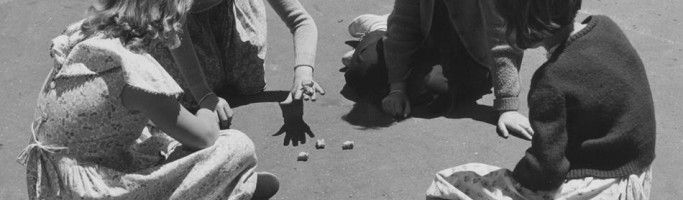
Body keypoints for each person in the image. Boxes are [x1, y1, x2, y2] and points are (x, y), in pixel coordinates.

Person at [17, 0, 278, 199]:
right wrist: (207, 105)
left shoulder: (84, 38)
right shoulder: (135, 72)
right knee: (236, 146)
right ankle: (224, 188)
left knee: (158, 134)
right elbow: (205, 136)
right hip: (87, 189)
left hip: (51, 179)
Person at [425, 0, 656, 199]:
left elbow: (546, 170)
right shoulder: (607, 28)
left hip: (596, 187)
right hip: (638, 174)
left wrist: (517, 181)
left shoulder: (550, 81)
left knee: (448, 181)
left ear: (525, 24)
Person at [342, 0, 533, 140]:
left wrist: (507, 106)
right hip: (424, 39)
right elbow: (403, 24)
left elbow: (503, 40)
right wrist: (396, 87)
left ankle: (380, 32)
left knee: (434, 92)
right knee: (361, 72)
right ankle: (380, 29)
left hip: (472, 54)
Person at [148, 0, 325, 129]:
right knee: (188, 98)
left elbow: (301, 21)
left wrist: (303, 72)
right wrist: (203, 93)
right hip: (172, 24)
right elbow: (171, 28)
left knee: (248, 81)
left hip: (226, 18)